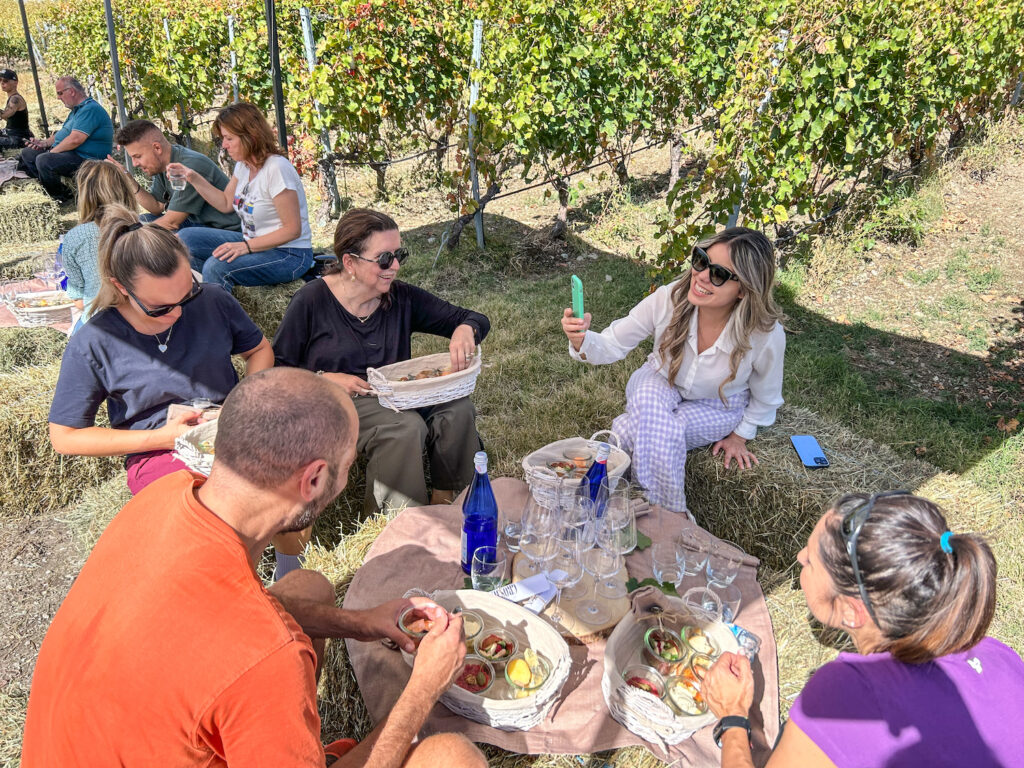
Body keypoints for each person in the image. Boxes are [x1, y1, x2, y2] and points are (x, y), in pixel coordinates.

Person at [23, 367, 486, 768]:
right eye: (349, 465)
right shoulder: (268, 656)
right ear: (314, 478)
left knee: (306, 586)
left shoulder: (163, 498)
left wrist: (358, 622)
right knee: (454, 758)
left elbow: (220, 614)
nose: (347, 478)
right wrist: (422, 689)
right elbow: (250, 646)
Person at [702, 491, 1024, 767]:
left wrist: (732, 716)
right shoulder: (1000, 655)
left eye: (811, 561)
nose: (800, 557)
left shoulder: (848, 692)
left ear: (851, 611)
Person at [273, 208, 490, 515]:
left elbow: (471, 317)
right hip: (338, 402)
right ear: (350, 262)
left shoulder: (400, 297)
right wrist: (323, 378)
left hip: (398, 394)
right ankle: (398, 521)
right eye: (385, 259)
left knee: (457, 409)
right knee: (404, 428)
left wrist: (466, 330)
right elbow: (278, 373)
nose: (396, 266)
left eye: (399, 254)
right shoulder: (311, 301)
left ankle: (449, 499)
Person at [47, 203, 274, 496]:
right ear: (121, 287)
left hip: (230, 428)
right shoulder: (93, 341)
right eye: (160, 308)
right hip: (159, 453)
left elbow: (259, 350)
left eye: (188, 294)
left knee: (294, 475)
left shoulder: (213, 300)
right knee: (205, 502)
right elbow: (65, 437)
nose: (178, 312)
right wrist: (162, 438)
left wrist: (240, 405)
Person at [560, 227, 784, 516]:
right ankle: (670, 517)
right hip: (660, 378)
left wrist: (740, 435)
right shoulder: (669, 298)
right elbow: (614, 343)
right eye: (701, 260)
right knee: (654, 410)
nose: (701, 276)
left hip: (719, 404)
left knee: (628, 430)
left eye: (718, 274)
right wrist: (582, 340)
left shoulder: (764, 334)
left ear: (743, 289)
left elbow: (767, 395)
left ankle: (624, 507)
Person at [169, 102, 314, 290]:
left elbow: (292, 230)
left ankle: (217, 312)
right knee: (183, 239)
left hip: (289, 254)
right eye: (223, 138)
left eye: (229, 138)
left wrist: (246, 247)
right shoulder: (243, 166)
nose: (224, 145)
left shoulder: (277, 168)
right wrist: (193, 177)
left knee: (216, 267)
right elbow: (226, 203)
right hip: (253, 242)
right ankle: (210, 291)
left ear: (251, 137)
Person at [110, 118, 241, 232]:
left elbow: (172, 222)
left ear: (157, 148)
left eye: (137, 157)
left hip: (228, 230)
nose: (134, 164)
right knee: (143, 219)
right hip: (200, 226)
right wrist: (129, 180)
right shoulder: (162, 165)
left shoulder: (189, 165)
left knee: (184, 237)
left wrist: (130, 233)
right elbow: (156, 207)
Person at [62, 159, 137, 330]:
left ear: (84, 195)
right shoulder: (142, 229)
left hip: (100, 322)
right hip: (144, 316)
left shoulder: (75, 237)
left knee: (77, 339)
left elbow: (79, 301)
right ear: (125, 191)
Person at [17, 76, 113, 202]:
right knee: (28, 153)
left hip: (88, 159)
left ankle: (61, 197)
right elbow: (62, 134)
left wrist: (51, 152)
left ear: (72, 91)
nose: (58, 97)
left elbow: (75, 140)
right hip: (73, 154)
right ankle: (51, 186)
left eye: (60, 93)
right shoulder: (76, 110)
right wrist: (43, 143)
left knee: (44, 160)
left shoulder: (90, 109)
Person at [0, 68, 31, 149]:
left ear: (15, 83)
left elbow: (5, 115)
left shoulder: (15, 99)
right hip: (13, 135)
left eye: (5, 80)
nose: (2, 83)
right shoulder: (12, 98)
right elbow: (11, 119)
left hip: (17, 138)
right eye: (0, 80)